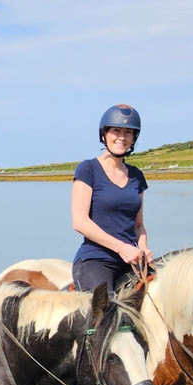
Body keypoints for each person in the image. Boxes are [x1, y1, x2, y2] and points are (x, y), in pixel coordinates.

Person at [71, 104, 153, 292]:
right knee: (106, 307)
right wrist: (121, 248)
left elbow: (138, 225)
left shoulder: (137, 176)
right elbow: (80, 222)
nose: (122, 137)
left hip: (131, 260)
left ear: (133, 138)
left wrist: (143, 248)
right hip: (96, 259)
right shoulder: (87, 169)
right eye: (116, 130)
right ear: (105, 134)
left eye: (128, 132)